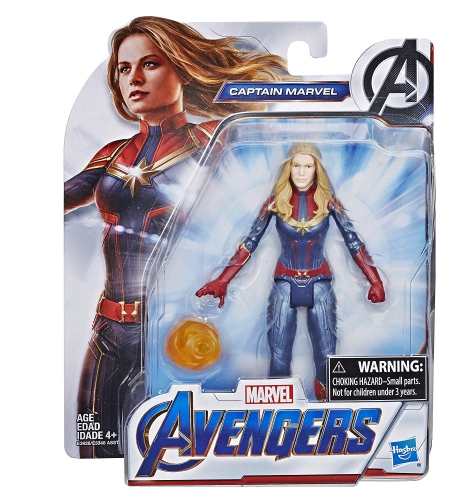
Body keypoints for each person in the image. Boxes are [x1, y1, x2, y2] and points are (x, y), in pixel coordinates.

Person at [64, 16, 288, 458]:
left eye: (149, 64)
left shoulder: (212, 141)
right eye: (124, 69)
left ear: (181, 69)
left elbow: (267, 200)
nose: (134, 78)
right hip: (109, 330)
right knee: (96, 454)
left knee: (181, 456)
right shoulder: (112, 155)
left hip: (177, 332)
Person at [196, 143, 385, 400]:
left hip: (319, 282)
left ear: (317, 169)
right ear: (288, 167)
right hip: (285, 281)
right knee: (278, 359)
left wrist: (375, 281)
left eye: (308, 166)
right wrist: (222, 280)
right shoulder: (275, 203)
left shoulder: (329, 203)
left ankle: (328, 409)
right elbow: (250, 242)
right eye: (296, 165)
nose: (302, 172)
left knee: (327, 359)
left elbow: (353, 242)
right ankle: (279, 410)